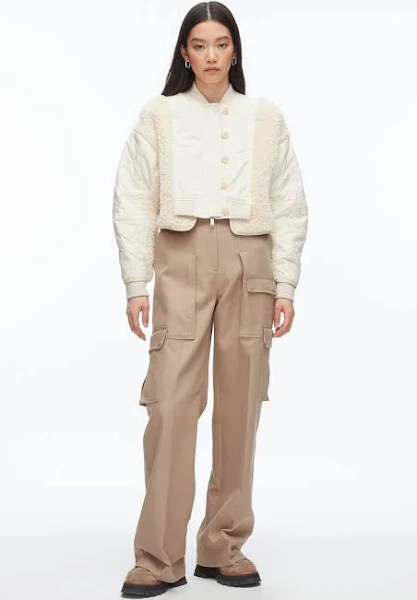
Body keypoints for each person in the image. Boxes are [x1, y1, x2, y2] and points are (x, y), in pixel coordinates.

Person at [112, 2, 308, 597]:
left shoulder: (265, 116)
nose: (212, 55)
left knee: (240, 404)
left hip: (251, 259)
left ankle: (223, 546)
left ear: (235, 50)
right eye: (200, 45)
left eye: (221, 44)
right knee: (171, 403)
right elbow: (133, 197)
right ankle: (158, 556)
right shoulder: (159, 115)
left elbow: (289, 201)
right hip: (179, 256)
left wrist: (285, 283)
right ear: (185, 53)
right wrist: (135, 283)